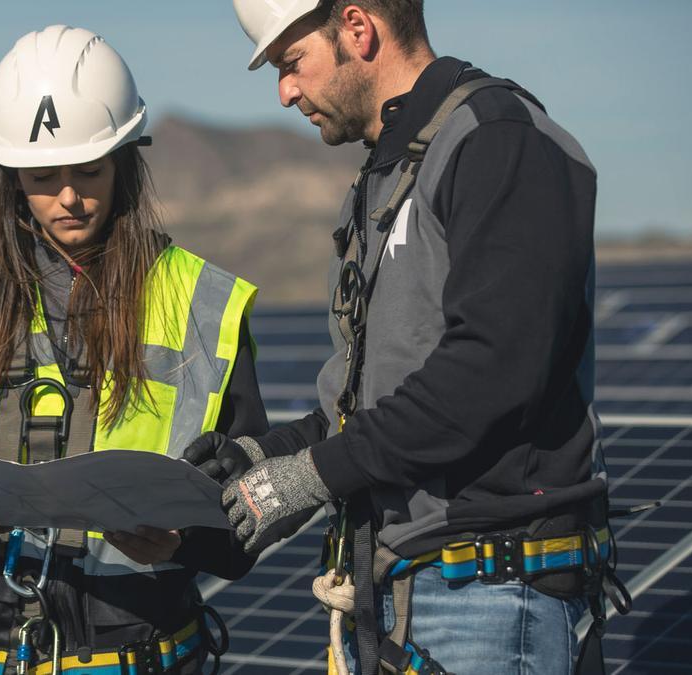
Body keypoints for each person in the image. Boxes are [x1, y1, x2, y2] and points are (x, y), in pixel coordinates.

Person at [184, 2, 627, 674]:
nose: (285, 93)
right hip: (402, 599)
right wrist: (261, 458)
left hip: (490, 597)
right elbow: (369, 407)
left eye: (291, 64)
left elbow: (490, 373)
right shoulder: (382, 181)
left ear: (358, 29)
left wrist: (311, 477)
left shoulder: (498, 141)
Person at [0, 25, 266, 675]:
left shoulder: (205, 304)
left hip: (144, 651)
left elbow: (251, 499)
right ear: (11, 179)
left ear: (125, 161)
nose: (68, 195)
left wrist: (181, 539)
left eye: (88, 169)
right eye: (42, 175)